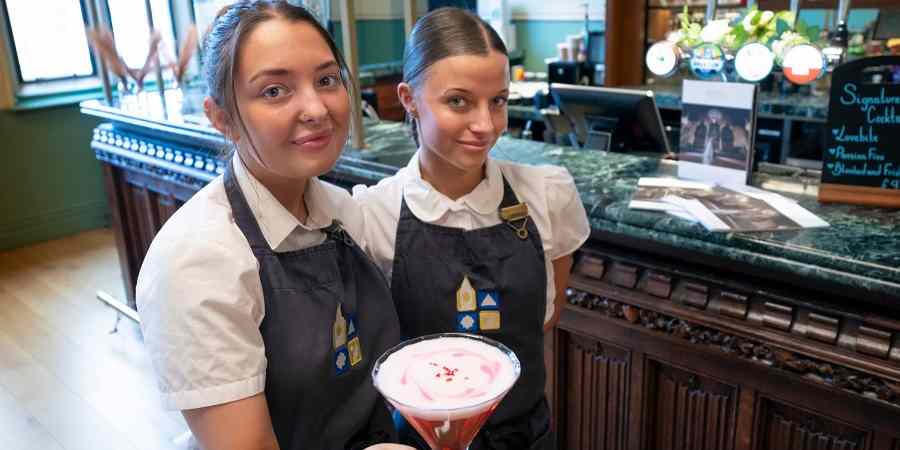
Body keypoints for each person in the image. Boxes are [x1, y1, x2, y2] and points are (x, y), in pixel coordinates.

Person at [135, 2, 408, 449]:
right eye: (275, 91)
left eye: (326, 79)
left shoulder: (342, 212)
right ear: (221, 117)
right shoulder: (195, 262)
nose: (317, 108)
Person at [352, 7, 590, 450]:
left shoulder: (547, 195)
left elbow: (545, 317)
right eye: (458, 101)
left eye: (497, 101)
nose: (485, 125)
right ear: (408, 98)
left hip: (528, 436)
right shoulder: (372, 214)